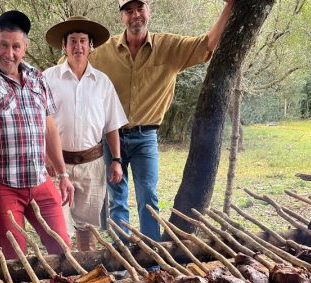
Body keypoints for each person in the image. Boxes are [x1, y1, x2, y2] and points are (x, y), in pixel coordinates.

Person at [89, 0, 235, 241]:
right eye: (128, 11)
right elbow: (72, 64)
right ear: (122, 17)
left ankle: (152, 260)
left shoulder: (169, 47)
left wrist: (229, 7)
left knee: (148, 196)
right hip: (110, 137)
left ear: (149, 11)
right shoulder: (104, 51)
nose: (135, 15)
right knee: (116, 198)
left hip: (145, 138)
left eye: (140, 9)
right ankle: (121, 257)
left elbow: (208, 44)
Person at [0, 10, 75, 259]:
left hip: (40, 180)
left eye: (16, 46)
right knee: (16, 259)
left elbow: (49, 127)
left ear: (24, 47)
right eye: (3, 45)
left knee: (63, 249)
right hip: (2, 184)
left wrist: (63, 173)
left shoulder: (37, 77)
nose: (9, 53)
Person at [43, 16, 128, 251]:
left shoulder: (102, 82)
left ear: (91, 46)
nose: (78, 46)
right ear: (64, 46)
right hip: (58, 166)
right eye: (72, 41)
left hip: (93, 164)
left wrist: (117, 160)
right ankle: (61, 279)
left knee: (87, 226)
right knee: (57, 226)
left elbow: (112, 124)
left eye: (83, 41)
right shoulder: (47, 78)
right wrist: (46, 157)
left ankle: (85, 277)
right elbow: (37, 121)